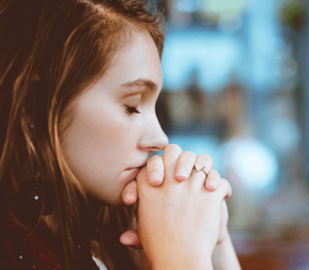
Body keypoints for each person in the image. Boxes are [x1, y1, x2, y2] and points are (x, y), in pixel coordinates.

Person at [0, 0, 241, 269]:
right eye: (132, 106)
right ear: (36, 104)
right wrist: (182, 259)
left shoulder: (109, 243)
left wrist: (214, 242)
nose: (160, 138)